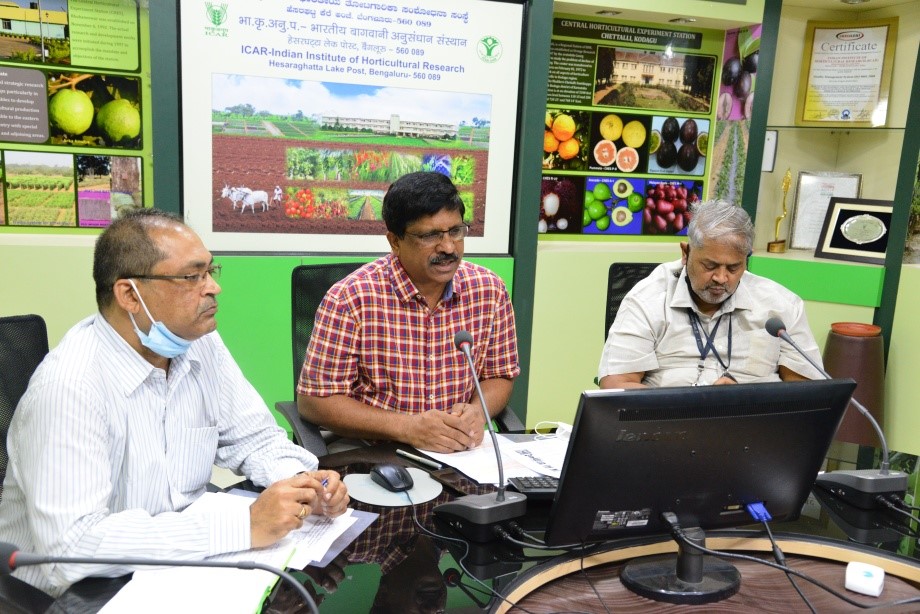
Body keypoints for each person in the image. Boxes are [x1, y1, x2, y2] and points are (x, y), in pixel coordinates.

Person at [0, 209, 349, 597]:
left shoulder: (198, 344)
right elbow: (73, 546)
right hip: (81, 592)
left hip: (181, 560)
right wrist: (246, 525)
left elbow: (254, 438)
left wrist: (300, 483)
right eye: (191, 276)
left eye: (210, 271)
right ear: (130, 294)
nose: (213, 288)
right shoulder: (69, 387)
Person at [297, 171, 520, 453]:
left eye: (456, 231)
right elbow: (314, 401)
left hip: (461, 454)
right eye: (430, 236)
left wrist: (478, 411)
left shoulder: (490, 290)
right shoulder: (350, 299)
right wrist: (408, 428)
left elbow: (499, 374)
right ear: (395, 241)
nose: (448, 247)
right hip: (376, 452)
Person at [598, 200, 824, 389]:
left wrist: (749, 402)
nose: (721, 278)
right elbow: (616, 384)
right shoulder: (648, 299)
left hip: (754, 429)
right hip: (673, 427)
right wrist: (700, 402)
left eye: (733, 268)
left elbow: (809, 388)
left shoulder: (781, 305)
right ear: (685, 253)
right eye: (710, 266)